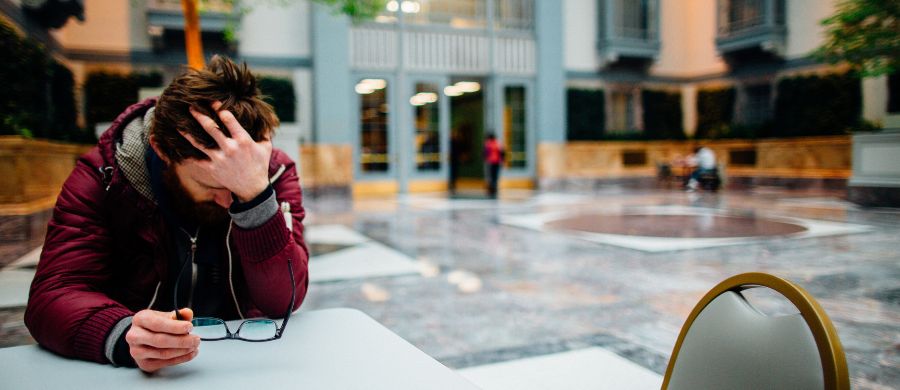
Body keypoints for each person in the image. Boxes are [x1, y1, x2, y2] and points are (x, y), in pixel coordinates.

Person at [24, 56, 309, 373]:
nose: (229, 200)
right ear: (160, 149)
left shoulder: (271, 172)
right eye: (210, 184)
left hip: (246, 363)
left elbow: (283, 300)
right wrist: (122, 334)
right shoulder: (105, 176)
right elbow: (53, 296)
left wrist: (256, 196)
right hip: (144, 376)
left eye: (239, 183)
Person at [483, 133, 505, 198]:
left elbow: (485, 153)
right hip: (497, 162)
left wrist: (485, 159)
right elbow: (502, 153)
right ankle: (494, 188)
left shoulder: (488, 144)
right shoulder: (498, 144)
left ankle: (491, 189)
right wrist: (502, 160)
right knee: (495, 176)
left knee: (490, 175)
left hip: (490, 162)